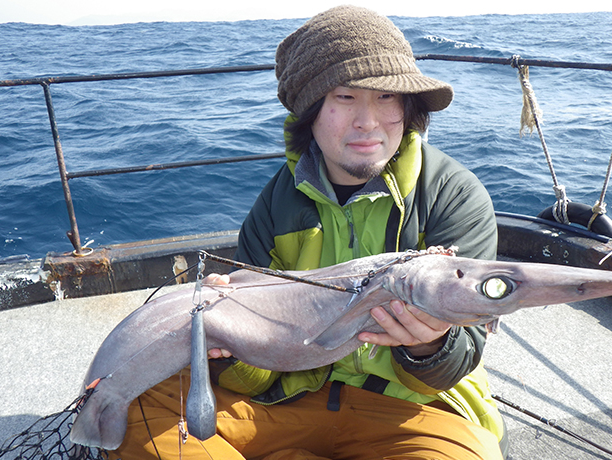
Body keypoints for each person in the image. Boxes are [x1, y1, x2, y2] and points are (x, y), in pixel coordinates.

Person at [111, 5, 507, 459]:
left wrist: (431, 343)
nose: (368, 121)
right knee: (133, 412)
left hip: (414, 408)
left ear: (408, 107)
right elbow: (250, 376)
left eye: (386, 97)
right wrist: (230, 347)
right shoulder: (275, 205)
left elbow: (456, 364)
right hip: (289, 396)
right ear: (310, 111)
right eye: (345, 97)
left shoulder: (454, 196)